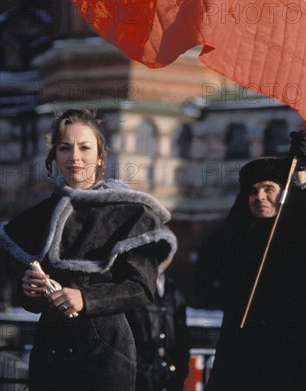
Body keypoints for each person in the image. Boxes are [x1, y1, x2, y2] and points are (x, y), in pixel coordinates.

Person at [0, 109, 177, 391]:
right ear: (54, 156)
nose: (75, 157)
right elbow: (31, 303)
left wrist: (86, 297)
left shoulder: (127, 212)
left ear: (99, 156)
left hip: (105, 355)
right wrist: (29, 289)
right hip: (50, 354)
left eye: (85, 148)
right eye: (64, 148)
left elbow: (141, 289)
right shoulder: (37, 217)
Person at [203, 130, 306, 391]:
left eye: (268, 189)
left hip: (287, 360)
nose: (260, 197)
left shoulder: (302, 235)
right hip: (237, 360)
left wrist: (299, 171)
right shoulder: (237, 235)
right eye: (253, 192)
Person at [127, 257, 190, 391]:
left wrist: (180, 371)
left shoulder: (174, 291)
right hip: (141, 376)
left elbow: (183, 338)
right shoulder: (133, 289)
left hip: (169, 376)